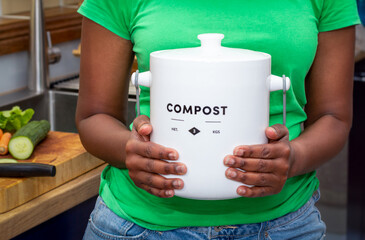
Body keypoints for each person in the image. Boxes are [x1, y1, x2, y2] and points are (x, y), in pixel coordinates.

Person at [75, 1, 360, 239]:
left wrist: (293, 158)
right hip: (138, 226)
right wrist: (132, 151)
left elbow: (333, 116)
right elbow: (94, 116)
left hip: (285, 225)